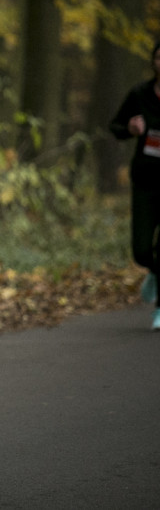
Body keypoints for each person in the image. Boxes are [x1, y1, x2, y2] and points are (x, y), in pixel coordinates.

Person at [108, 40, 160, 331]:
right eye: (159, 58)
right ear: (153, 62)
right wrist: (130, 129)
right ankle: (152, 271)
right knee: (141, 249)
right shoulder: (140, 94)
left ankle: (159, 310)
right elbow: (115, 126)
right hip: (145, 180)